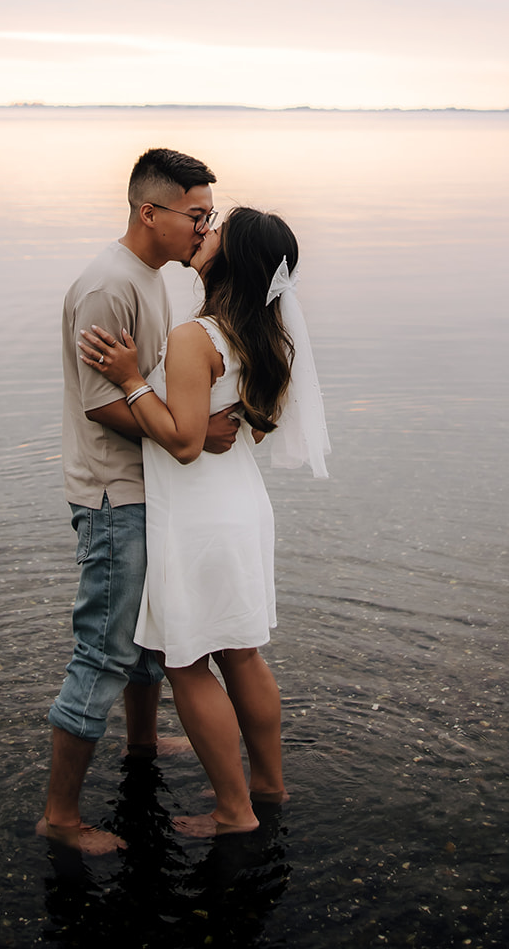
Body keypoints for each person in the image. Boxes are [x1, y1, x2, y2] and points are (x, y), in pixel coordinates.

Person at [79, 206, 329, 838]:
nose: (203, 233)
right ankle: (268, 786)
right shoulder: (263, 335)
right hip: (239, 507)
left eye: (215, 229)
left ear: (230, 255)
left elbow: (184, 442)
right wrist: (210, 418)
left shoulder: (197, 337)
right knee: (242, 654)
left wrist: (133, 379)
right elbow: (252, 422)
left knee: (187, 661)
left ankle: (233, 812)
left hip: (196, 514)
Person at [38, 148, 241, 855]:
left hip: (147, 488)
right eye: (195, 215)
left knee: (147, 640)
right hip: (112, 493)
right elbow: (103, 405)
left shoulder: (152, 278)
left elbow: (145, 383)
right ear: (148, 212)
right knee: (101, 650)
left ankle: (141, 739)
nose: (202, 227)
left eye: (208, 216)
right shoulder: (107, 288)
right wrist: (190, 433)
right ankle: (60, 817)